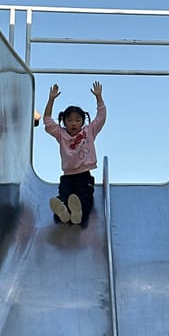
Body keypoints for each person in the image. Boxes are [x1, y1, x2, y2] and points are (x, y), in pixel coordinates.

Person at [43, 81, 106, 227]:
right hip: (67, 177)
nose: (73, 123)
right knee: (64, 196)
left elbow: (101, 117)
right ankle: (63, 212)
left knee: (84, 197)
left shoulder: (88, 131)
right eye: (69, 120)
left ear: (83, 122)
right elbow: (47, 120)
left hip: (84, 175)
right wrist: (51, 99)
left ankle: (78, 212)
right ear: (64, 122)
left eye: (77, 120)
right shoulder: (61, 134)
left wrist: (98, 97)